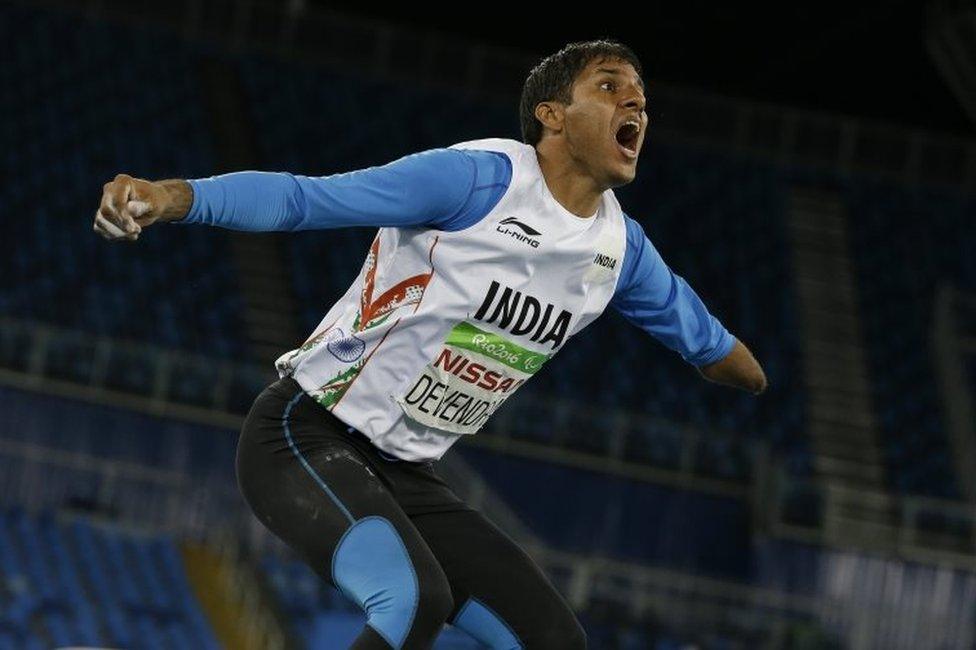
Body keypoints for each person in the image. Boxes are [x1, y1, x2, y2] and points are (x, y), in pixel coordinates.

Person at [94, 40, 766, 649]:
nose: (636, 104)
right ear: (552, 117)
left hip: (407, 474)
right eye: (611, 87)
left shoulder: (621, 252)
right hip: (303, 437)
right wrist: (173, 196)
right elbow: (307, 200)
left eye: (642, 98)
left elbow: (714, 348)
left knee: (556, 642)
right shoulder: (476, 181)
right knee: (413, 600)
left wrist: (752, 378)